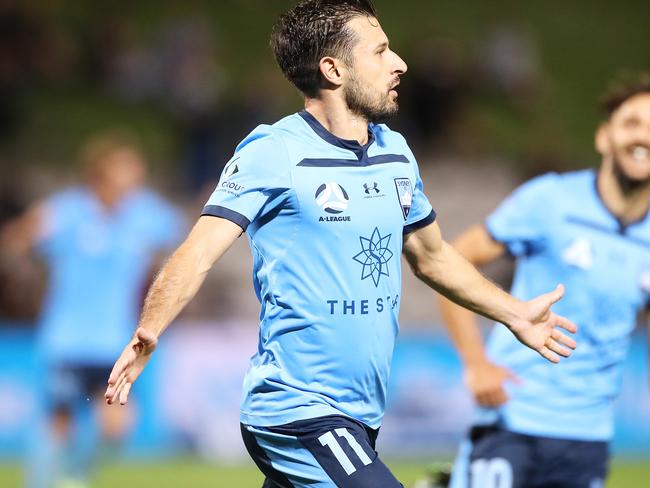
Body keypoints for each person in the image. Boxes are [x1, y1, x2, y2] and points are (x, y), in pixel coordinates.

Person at [104, 2, 577, 487]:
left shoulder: (395, 153)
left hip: (362, 416)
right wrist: (149, 330)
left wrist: (513, 312)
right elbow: (198, 250)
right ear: (333, 69)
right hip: (295, 410)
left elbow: (432, 258)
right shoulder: (275, 151)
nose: (400, 63)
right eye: (380, 51)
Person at [439, 74, 650, 488]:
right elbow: (449, 260)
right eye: (632, 124)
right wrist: (476, 363)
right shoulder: (550, 201)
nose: (644, 137)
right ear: (604, 137)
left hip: (588, 437)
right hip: (514, 418)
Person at [2, 131, 183, 488]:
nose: (135, 178)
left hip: (116, 340)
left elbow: (186, 239)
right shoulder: (68, 211)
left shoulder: (144, 213)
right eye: (126, 169)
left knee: (118, 426)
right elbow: (17, 239)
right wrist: (25, 270)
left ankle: (74, 474)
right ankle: (38, 483)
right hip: (68, 339)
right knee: (58, 420)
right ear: (101, 172)